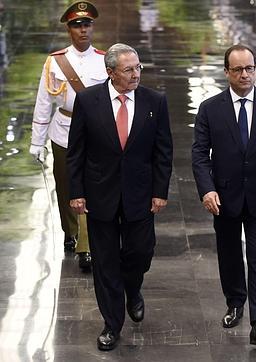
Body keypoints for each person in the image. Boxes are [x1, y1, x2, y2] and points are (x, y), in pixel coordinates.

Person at [66, 43, 173, 351]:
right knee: (105, 262)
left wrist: (160, 191)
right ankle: (112, 324)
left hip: (140, 194)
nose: (136, 74)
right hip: (101, 193)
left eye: (138, 68)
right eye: (129, 70)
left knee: (140, 253)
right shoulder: (88, 101)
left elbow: (163, 152)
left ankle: (133, 288)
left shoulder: (156, 101)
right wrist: (76, 192)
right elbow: (76, 152)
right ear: (110, 72)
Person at [191, 44, 256, 345]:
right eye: (237, 69)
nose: (244, 74)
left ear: (255, 69)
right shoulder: (210, 108)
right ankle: (235, 301)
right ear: (226, 72)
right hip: (223, 196)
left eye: (249, 68)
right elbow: (200, 154)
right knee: (230, 254)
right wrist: (207, 189)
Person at [29, 1, 106, 272]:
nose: (83, 30)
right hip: (63, 130)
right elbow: (43, 101)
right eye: (77, 25)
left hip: (95, 133)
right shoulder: (56, 61)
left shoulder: (105, 59)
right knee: (65, 186)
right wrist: (36, 141)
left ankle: (85, 245)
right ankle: (70, 231)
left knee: (90, 187)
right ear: (69, 29)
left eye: (87, 24)